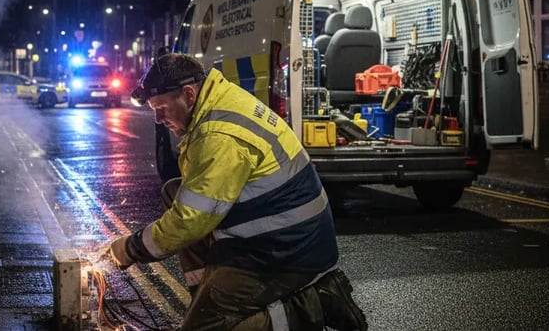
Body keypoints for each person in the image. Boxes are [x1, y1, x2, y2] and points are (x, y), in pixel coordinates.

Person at [108, 53, 367, 330]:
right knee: (175, 192)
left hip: (286, 251)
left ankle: (314, 305)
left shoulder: (219, 135)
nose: (158, 119)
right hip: (283, 233)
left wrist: (130, 248)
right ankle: (209, 299)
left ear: (189, 94)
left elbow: (189, 221)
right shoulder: (219, 99)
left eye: (161, 108)